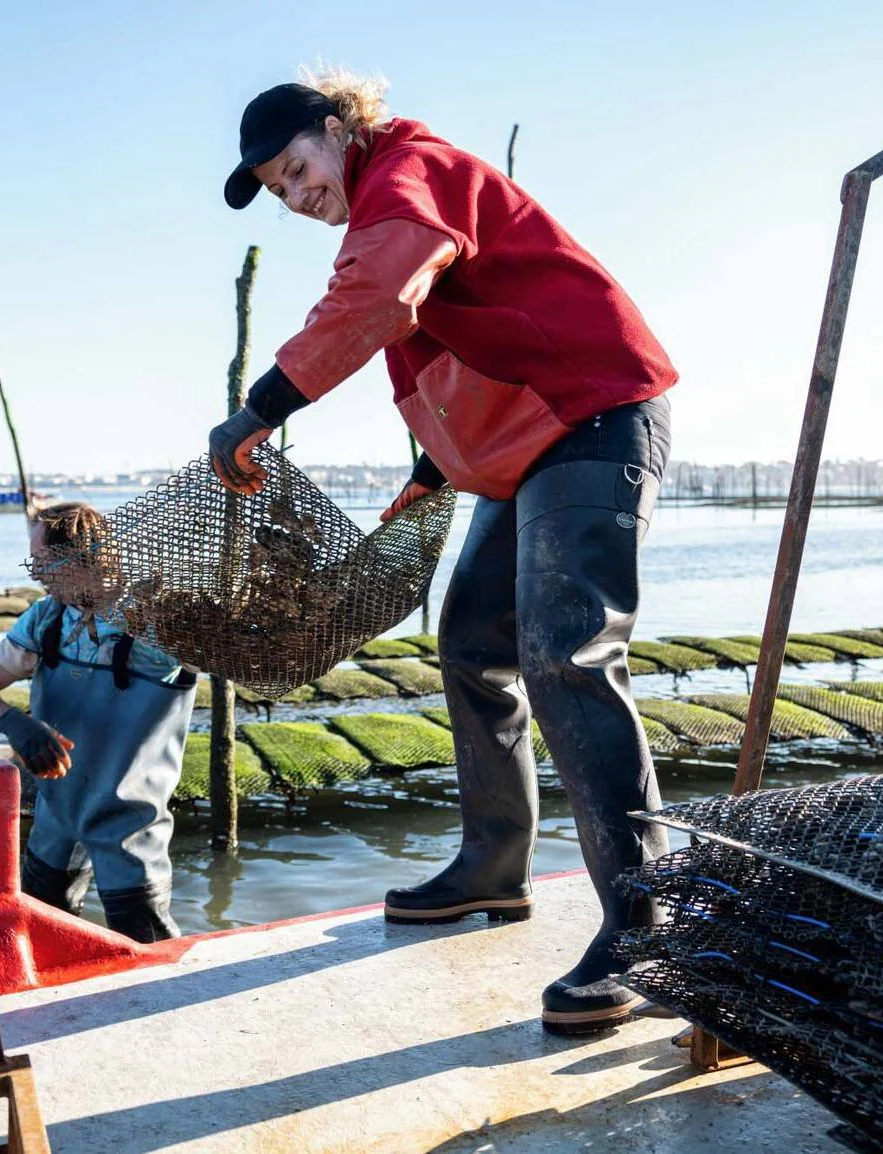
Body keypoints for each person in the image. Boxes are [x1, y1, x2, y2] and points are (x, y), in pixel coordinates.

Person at [210, 68, 676, 1033]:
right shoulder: (389, 207)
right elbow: (454, 356)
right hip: (531, 443)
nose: (298, 195)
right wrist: (432, 474)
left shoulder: (408, 173)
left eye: (297, 168)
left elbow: (380, 296)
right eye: (280, 190)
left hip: (592, 417)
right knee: (472, 641)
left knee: (567, 653)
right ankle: (494, 866)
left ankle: (647, 923)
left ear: (341, 127)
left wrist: (260, 409)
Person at [0, 502, 197, 942]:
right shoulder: (47, 619)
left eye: (43, 561)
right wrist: (15, 724)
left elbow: (253, 652)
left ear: (85, 558)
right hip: (55, 820)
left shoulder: (157, 622)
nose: (35, 573)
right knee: (42, 941)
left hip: (129, 830)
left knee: (150, 949)